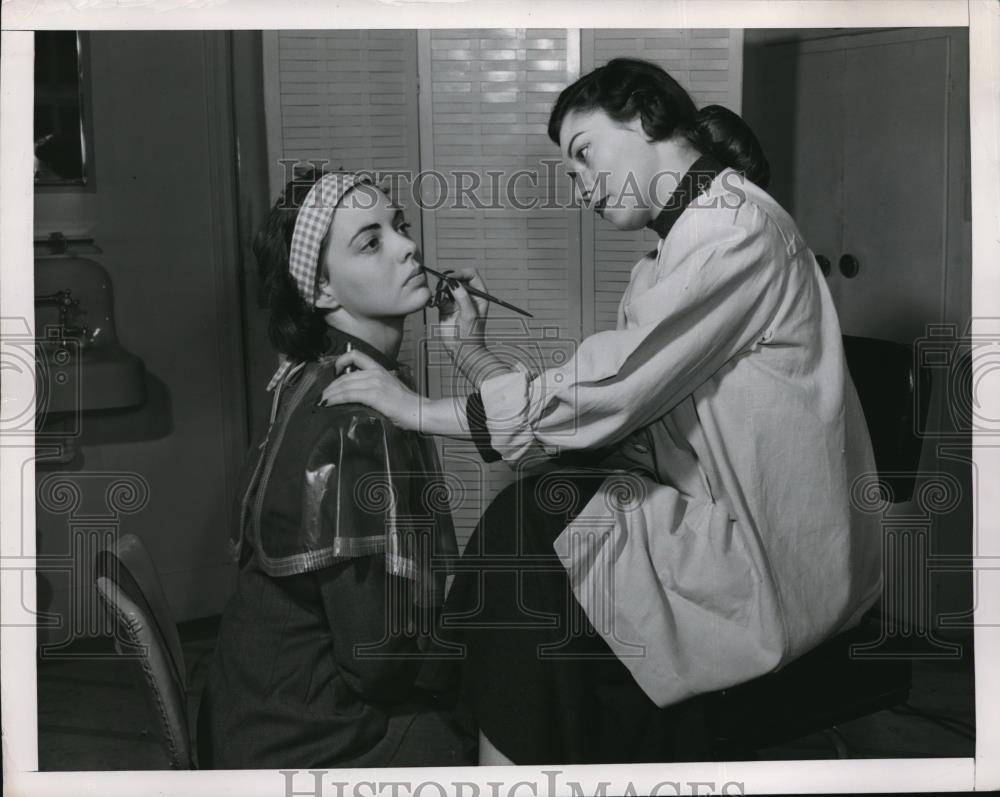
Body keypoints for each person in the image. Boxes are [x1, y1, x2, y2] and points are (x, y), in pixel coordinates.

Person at [319, 58, 882, 765]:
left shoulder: (735, 231)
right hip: (709, 513)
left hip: (772, 558)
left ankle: (499, 751)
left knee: (527, 532)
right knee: (534, 532)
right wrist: (470, 351)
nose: (580, 185)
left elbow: (605, 390)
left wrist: (417, 408)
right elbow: (601, 408)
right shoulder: (676, 250)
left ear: (646, 117)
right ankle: (512, 746)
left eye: (584, 155)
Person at [196, 169, 475, 769]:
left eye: (399, 226)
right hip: (302, 740)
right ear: (321, 289)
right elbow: (374, 664)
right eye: (371, 241)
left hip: (258, 712)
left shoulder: (317, 378)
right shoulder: (354, 421)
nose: (408, 246)